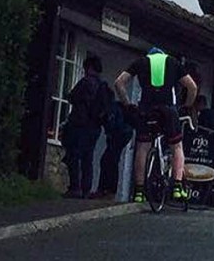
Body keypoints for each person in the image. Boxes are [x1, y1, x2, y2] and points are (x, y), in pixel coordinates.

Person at [114, 47, 197, 203]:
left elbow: (119, 83)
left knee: (142, 147)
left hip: (146, 109)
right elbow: (192, 87)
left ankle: (139, 191)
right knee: (177, 146)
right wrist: (186, 106)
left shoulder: (141, 62)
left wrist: (128, 104)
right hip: (168, 110)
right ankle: (177, 185)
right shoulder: (173, 62)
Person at [63, 55, 111, 198]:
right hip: (95, 127)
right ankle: (86, 189)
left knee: (74, 156)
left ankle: (75, 187)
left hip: (80, 124)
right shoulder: (102, 85)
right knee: (88, 157)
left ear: (88, 67)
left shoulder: (85, 82)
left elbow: (72, 97)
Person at [94, 93, 134, 199]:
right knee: (109, 160)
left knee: (110, 160)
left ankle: (108, 190)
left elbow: (113, 125)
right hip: (122, 133)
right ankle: (106, 189)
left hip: (120, 134)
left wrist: (111, 135)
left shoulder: (110, 110)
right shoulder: (112, 107)